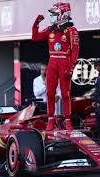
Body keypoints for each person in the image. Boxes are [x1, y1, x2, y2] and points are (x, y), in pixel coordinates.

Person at [32, 2, 80, 131]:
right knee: (50, 93)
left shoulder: (71, 31)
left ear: (63, 15)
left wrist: (71, 68)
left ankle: (68, 120)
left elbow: (75, 51)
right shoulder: (49, 29)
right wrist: (36, 23)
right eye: (51, 14)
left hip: (64, 62)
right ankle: (50, 119)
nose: (52, 17)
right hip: (52, 62)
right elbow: (35, 37)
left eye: (54, 14)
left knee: (65, 94)